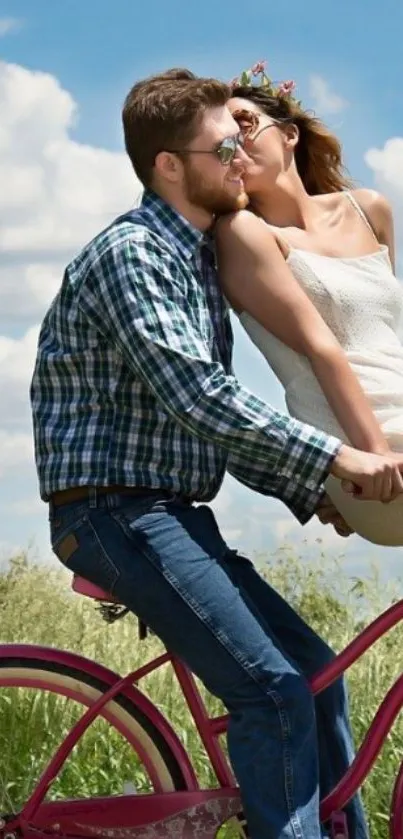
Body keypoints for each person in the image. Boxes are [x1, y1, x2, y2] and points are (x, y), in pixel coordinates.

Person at [30, 67, 403, 839]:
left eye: (242, 141)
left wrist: (312, 489)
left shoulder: (194, 261)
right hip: (115, 514)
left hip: (167, 515)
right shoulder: (135, 255)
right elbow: (201, 396)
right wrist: (338, 459)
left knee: (316, 681)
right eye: (221, 147)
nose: (239, 159)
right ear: (170, 164)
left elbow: (208, 423)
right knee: (272, 692)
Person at [216, 63, 403, 547]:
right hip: (370, 447)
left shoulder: (370, 209)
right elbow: (323, 351)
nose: (235, 144)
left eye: (245, 124)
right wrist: (374, 457)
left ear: (290, 135)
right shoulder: (245, 234)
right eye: (221, 141)